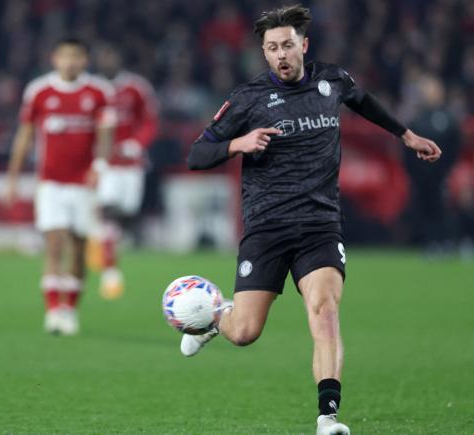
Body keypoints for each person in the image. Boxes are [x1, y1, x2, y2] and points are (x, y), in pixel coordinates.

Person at [183, 5, 441, 435]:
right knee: (245, 332)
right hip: (266, 227)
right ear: (263, 54)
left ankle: (327, 417)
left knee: (324, 312)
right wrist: (238, 144)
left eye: (287, 45)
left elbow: (365, 102)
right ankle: (213, 315)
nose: (280, 54)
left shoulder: (332, 80)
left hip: (320, 225)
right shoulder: (248, 99)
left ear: (303, 45)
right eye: (271, 48)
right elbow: (195, 154)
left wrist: (406, 135)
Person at [6, 37, 115, 335]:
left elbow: (106, 136)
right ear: (55, 59)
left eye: (76, 56)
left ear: (85, 60)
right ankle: (53, 310)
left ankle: (70, 309)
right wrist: (13, 177)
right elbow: (25, 135)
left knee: (78, 248)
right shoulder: (39, 91)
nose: (70, 62)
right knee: (54, 244)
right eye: (65, 56)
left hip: (83, 184)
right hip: (50, 182)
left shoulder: (99, 92)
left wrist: (100, 166)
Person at [91, 43, 159, 299]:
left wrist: (137, 143)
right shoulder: (93, 89)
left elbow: (151, 121)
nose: (107, 59)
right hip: (105, 163)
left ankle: (107, 247)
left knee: (126, 215)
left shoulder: (136, 87)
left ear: (118, 58)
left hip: (131, 165)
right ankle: (111, 273)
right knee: (107, 211)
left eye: (111, 54)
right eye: (104, 55)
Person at [402, 74, 461, 255]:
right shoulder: (416, 120)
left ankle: (449, 241)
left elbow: (454, 145)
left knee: (442, 209)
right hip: (421, 176)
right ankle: (429, 243)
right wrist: (416, 172)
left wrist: (445, 169)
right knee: (423, 210)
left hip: (441, 174)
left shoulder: (448, 119)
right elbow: (406, 148)